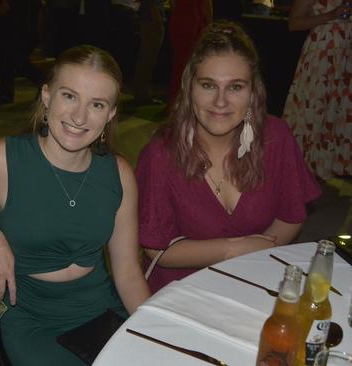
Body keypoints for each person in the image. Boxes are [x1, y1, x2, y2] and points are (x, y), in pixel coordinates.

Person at [0, 45, 150, 365]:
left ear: (110, 114)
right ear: (46, 95)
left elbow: (128, 275)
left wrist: (156, 333)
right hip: (31, 318)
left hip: (100, 309)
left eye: (96, 104)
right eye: (69, 96)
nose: (79, 117)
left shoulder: (119, 174)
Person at [136, 21, 322, 294]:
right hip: (182, 291)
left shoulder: (276, 137)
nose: (220, 102)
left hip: (255, 279)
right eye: (208, 85)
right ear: (190, 89)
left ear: (252, 92)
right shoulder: (160, 154)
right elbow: (157, 248)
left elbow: (292, 214)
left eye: (235, 87)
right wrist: (233, 249)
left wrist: (256, 256)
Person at [282, 0, 351, 180]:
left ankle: (329, 165)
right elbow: (294, 24)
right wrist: (332, 14)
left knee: (338, 112)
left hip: (346, 57)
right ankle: (300, 169)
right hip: (322, 54)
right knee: (313, 110)